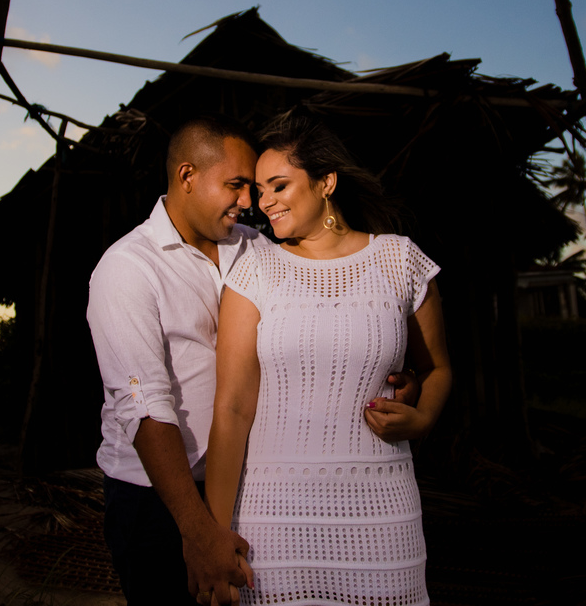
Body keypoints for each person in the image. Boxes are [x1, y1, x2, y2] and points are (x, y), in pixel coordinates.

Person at [87, 115, 421, 606]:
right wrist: (199, 530)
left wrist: (392, 375)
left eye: (255, 186)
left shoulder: (254, 247)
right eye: (237, 185)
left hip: (242, 486)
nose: (250, 202)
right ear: (187, 177)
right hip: (158, 500)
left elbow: (319, 326)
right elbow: (143, 409)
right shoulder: (128, 268)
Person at [205, 112, 452, 606]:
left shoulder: (399, 260)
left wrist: (422, 417)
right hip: (271, 517)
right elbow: (232, 409)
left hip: (383, 513)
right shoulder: (255, 267)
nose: (263, 201)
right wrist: (213, 534)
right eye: (259, 188)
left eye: (279, 184)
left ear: (326, 183)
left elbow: (438, 367)